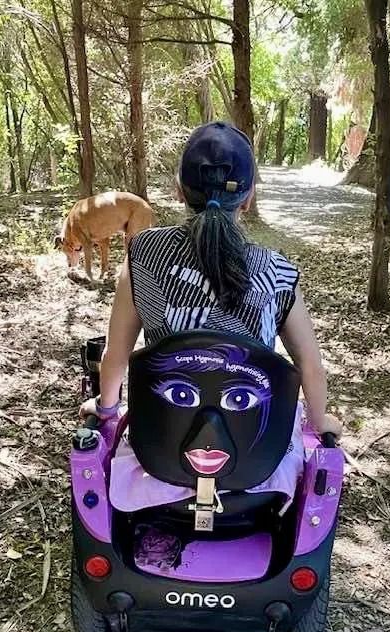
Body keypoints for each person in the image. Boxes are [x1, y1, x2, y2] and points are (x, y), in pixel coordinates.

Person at [80, 121, 342, 509]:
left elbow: (115, 357)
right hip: (255, 465)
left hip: (159, 456)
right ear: (249, 197)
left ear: (179, 190)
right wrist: (320, 423)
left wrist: (104, 408)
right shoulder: (277, 272)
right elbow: (311, 367)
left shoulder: (143, 255)